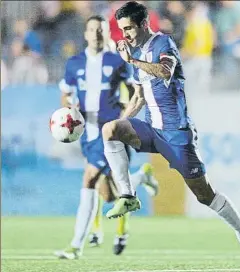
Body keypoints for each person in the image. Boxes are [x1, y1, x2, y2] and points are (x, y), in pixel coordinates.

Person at [101, 2, 240, 271]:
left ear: (143, 24)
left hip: (177, 134)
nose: (124, 34)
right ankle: (127, 195)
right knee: (110, 130)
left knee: (204, 194)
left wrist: (134, 61)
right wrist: (123, 121)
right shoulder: (134, 53)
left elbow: (164, 72)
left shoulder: (163, 43)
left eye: (128, 28)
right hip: (152, 128)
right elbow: (139, 96)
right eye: (121, 29)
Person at [54, 15, 159, 259]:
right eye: (92, 29)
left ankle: (76, 246)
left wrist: (126, 117)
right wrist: (68, 112)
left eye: (100, 29)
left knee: (88, 179)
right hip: (87, 134)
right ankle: (142, 176)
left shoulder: (117, 61)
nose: (96, 34)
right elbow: (65, 94)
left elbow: (137, 90)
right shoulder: (74, 63)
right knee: (108, 194)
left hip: (110, 133)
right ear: (85, 34)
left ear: (106, 33)